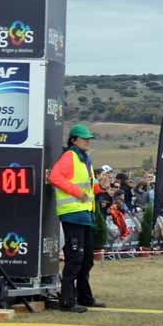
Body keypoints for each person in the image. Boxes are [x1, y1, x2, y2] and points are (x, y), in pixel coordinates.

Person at [49, 124, 106, 313]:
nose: (88, 141)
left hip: (86, 214)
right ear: (73, 140)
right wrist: (77, 192)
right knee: (75, 259)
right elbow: (55, 177)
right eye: (84, 138)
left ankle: (84, 296)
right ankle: (67, 301)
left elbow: (91, 186)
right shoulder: (69, 157)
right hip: (73, 214)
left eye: (88, 138)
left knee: (87, 259)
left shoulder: (85, 159)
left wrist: (101, 187)